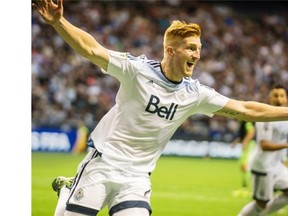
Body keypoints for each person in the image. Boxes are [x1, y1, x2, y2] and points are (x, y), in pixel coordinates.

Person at [32, 1, 288, 215]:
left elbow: (246, 109)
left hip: (136, 177)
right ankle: (67, 192)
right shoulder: (137, 70)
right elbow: (91, 48)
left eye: (199, 49)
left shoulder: (195, 93)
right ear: (170, 50)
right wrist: (58, 22)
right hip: (102, 164)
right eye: (191, 48)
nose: (197, 55)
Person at [238, 85, 288, 216]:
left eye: (282, 95)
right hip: (263, 166)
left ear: (286, 98)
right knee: (261, 204)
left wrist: (282, 160)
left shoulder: (286, 117)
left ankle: (262, 214)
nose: (279, 99)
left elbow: (281, 140)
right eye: (275, 95)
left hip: (276, 165)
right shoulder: (265, 117)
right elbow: (265, 145)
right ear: (269, 98)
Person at [232, 121, 256, 198]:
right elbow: (244, 134)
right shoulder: (243, 122)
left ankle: (250, 190)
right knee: (243, 167)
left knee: (246, 166)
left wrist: (245, 142)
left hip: (250, 145)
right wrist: (237, 141)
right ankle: (244, 188)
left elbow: (251, 132)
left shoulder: (247, 121)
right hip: (249, 144)